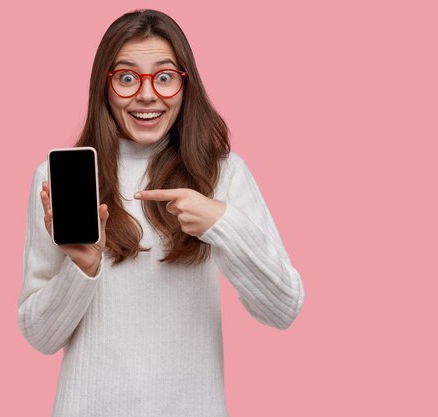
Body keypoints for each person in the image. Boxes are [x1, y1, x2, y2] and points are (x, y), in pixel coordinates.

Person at [18, 9, 305, 417]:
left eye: (165, 77)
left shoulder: (221, 173)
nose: (148, 95)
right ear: (106, 86)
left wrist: (221, 224)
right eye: (128, 77)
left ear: (185, 86)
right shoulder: (58, 179)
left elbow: (284, 308)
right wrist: (81, 267)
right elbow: (39, 337)